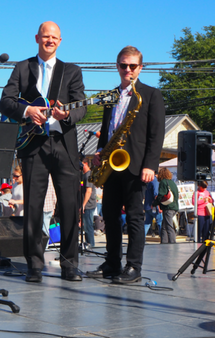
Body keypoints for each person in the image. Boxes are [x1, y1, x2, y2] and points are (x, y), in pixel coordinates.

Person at [0, 21, 86, 282]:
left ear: (60, 41)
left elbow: (81, 107)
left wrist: (67, 113)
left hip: (63, 144)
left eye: (54, 37)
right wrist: (28, 111)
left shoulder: (71, 71)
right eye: (45, 36)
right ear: (37, 38)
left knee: (70, 206)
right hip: (32, 144)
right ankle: (34, 265)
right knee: (34, 208)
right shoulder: (22, 67)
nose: (50, 40)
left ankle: (70, 264)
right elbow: (5, 101)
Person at [89, 45, 165, 283]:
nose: (128, 70)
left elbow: (156, 134)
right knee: (109, 216)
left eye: (133, 66)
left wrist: (150, 165)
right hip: (112, 165)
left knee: (134, 217)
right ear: (117, 66)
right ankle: (112, 262)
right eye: (124, 65)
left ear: (140, 68)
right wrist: (100, 151)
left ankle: (133, 266)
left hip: (136, 166)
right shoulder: (111, 95)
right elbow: (107, 130)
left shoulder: (152, 95)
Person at [153, 168, 179, 244]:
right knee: (164, 226)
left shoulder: (163, 182)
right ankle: (164, 242)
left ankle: (172, 242)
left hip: (168, 207)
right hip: (174, 207)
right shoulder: (172, 183)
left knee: (169, 226)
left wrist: (154, 203)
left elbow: (161, 195)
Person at [81, 160, 96, 248]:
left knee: (88, 225)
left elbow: (88, 191)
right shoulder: (84, 175)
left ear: (85, 163)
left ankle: (91, 243)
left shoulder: (89, 175)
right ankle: (87, 242)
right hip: (85, 204)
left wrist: (83, 204)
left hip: (89, 204)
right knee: (86, 225)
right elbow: (82, 187)